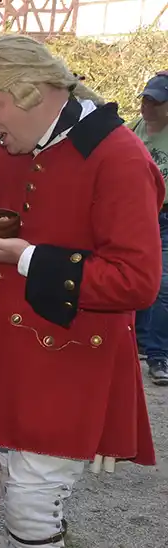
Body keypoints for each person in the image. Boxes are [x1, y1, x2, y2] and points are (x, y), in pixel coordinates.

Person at [0, 35, 161, 548]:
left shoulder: (119, 155)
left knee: (32, 505)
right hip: (3, 357)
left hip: (71, 361)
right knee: (7, 488)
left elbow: (137, 280)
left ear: (34, 95)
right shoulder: (11, 149)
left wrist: (30, 258)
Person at [131, 72, 168, 384]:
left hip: (166, 216)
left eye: (155, 102)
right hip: (141, 213)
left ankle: (158, 356)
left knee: (161, 286)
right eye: (145, 99)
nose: (147, 106)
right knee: (136, 277)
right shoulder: (136, 127)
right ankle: (141, 343)